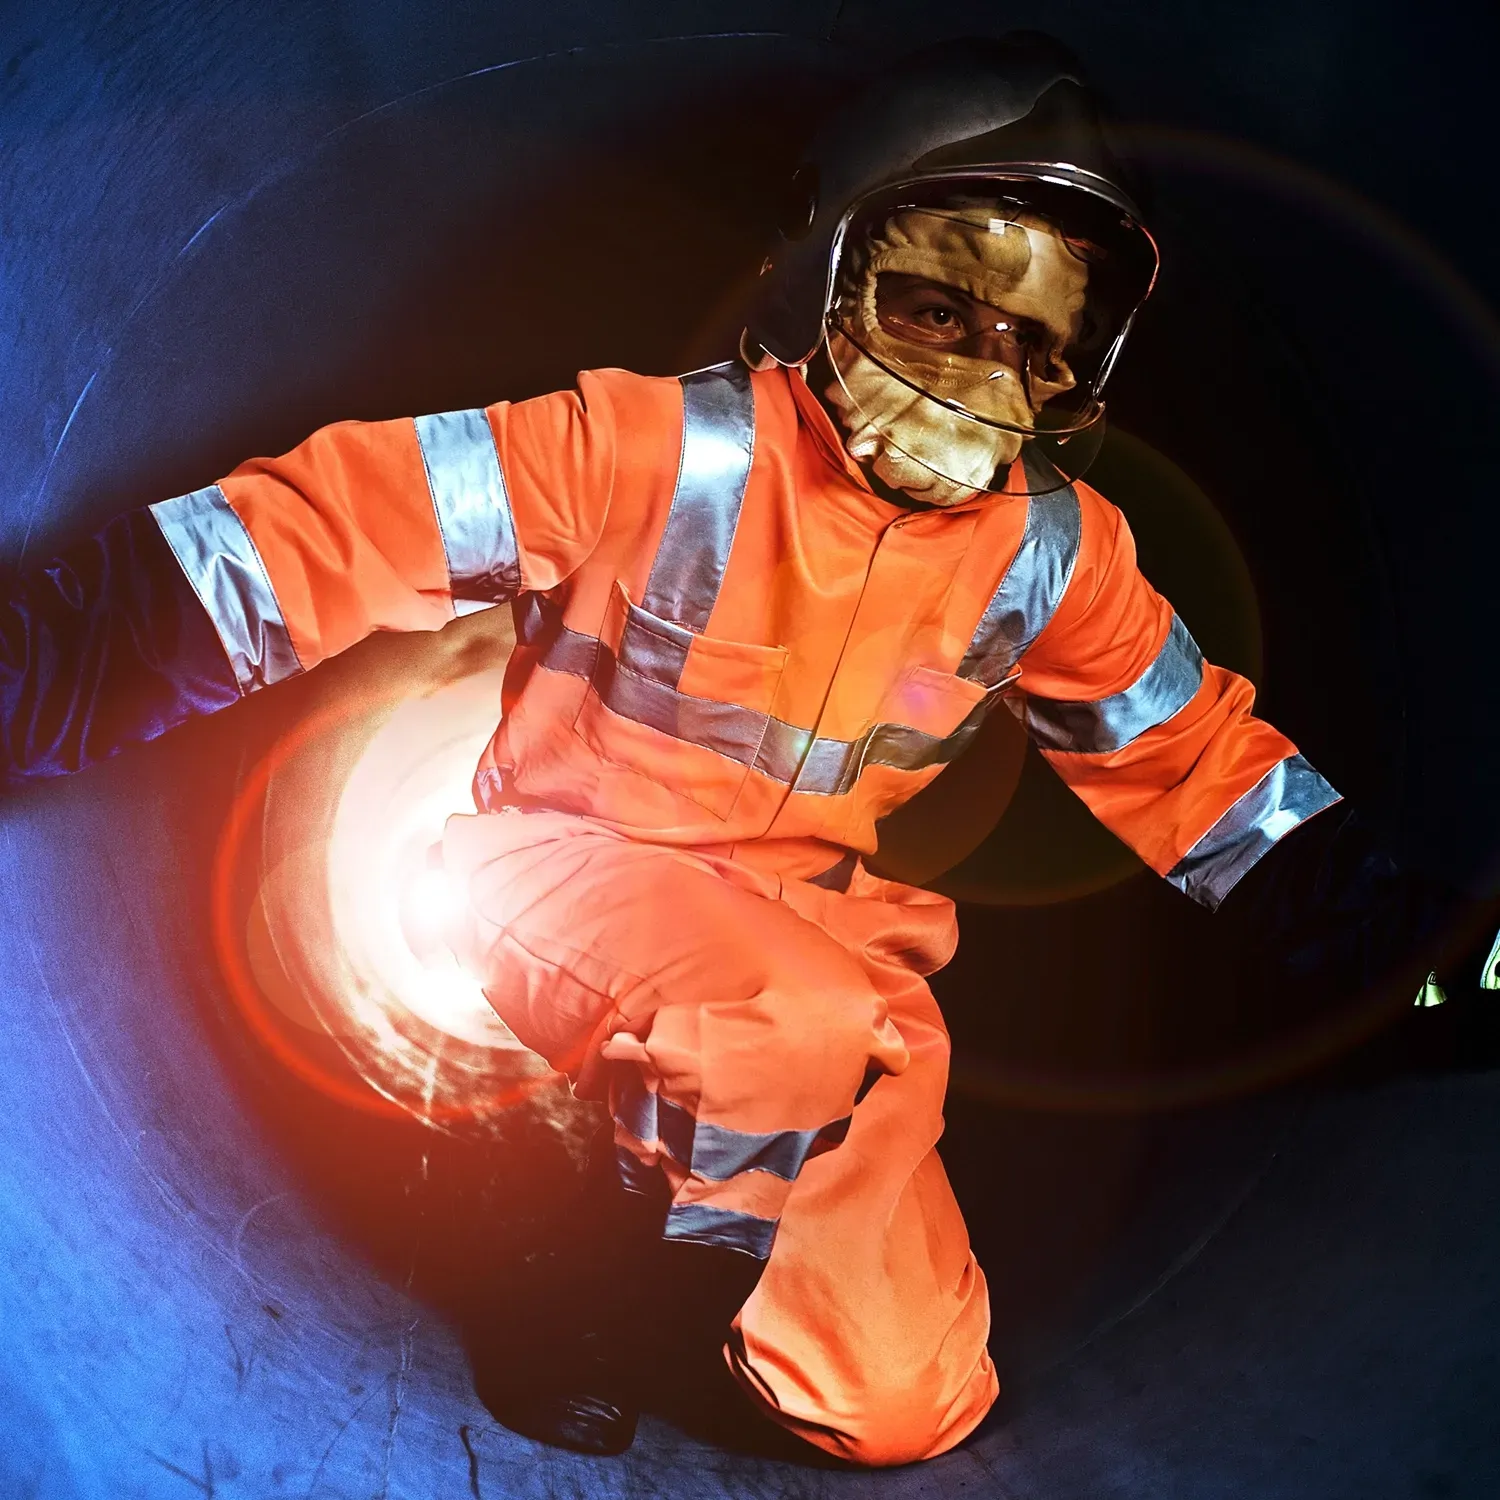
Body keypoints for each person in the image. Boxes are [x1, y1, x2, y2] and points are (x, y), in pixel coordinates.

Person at [1, 32, 1493, 1468]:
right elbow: (319, 539)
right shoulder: (655, 450)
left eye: (1036, 340)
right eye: (936, 306)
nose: (982, 371)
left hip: (819, 957)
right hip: (567, 868)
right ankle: (572, 1268)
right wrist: (37, 670)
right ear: (828, 272)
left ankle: (669, 1212)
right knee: (772, 1017)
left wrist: (1442, 955)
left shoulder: (1053, 558)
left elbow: (1207, 776)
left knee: (908, 1399)